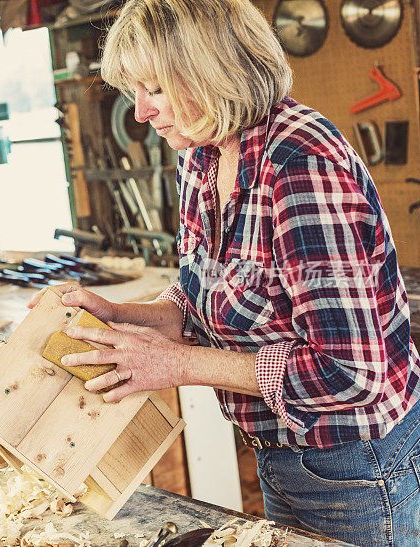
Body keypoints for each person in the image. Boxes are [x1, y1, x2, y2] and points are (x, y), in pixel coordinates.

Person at [30, 0, 420, 543]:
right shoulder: (203, 154)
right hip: (279, 448)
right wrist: (123, 316)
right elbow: (200, 295)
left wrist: (179, 365)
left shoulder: (299, 165)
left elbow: (350, 374)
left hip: (354, 462)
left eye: (156, 88)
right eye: (134, 91)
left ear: (214, 74)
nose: (141, 112)